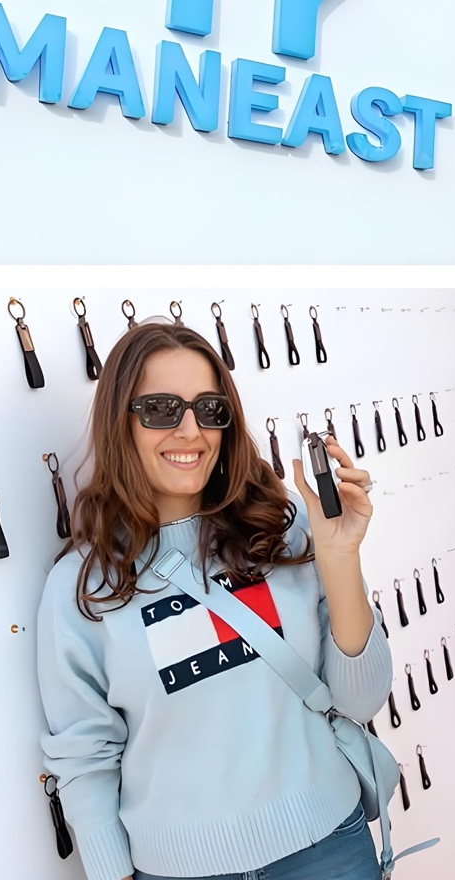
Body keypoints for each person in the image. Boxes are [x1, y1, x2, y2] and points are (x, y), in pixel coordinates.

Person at [37, 323, 391, 880]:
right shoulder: (82, 587)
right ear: (120, 422)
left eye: (209, 409)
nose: (190, 430)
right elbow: (86, 754)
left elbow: (361, 700)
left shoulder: (288, 528)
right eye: (160, 409)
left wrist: (341, 555)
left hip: (329, 849)